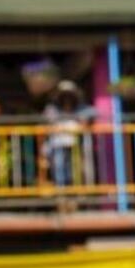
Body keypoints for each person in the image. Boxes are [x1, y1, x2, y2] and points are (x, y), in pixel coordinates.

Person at [43, 80, 92, 209]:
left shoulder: (80, 109)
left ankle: (72, 198)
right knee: (59, 170)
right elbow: (48, 125)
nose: (67, 98)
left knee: (74, 172)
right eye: (64, 95)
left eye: (69, 95)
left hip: (74, 145)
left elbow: (91, 115)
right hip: (57, 144)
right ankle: (61, 198)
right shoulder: (52, 109)